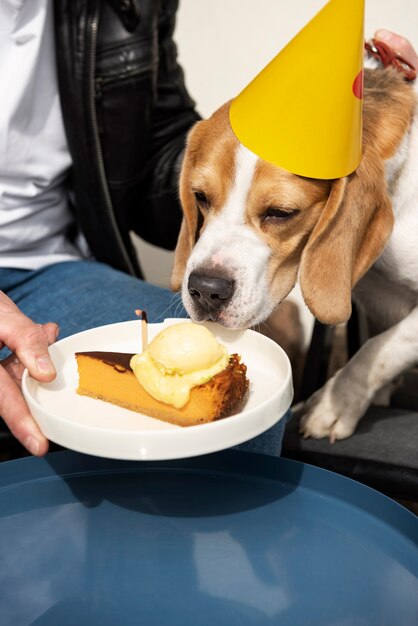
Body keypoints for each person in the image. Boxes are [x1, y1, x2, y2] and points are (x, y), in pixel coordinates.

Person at [0, 1, 417, 459]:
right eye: (203, 198)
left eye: (278, 210)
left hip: (50, 264)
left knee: (239, 393)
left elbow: (154, 152)